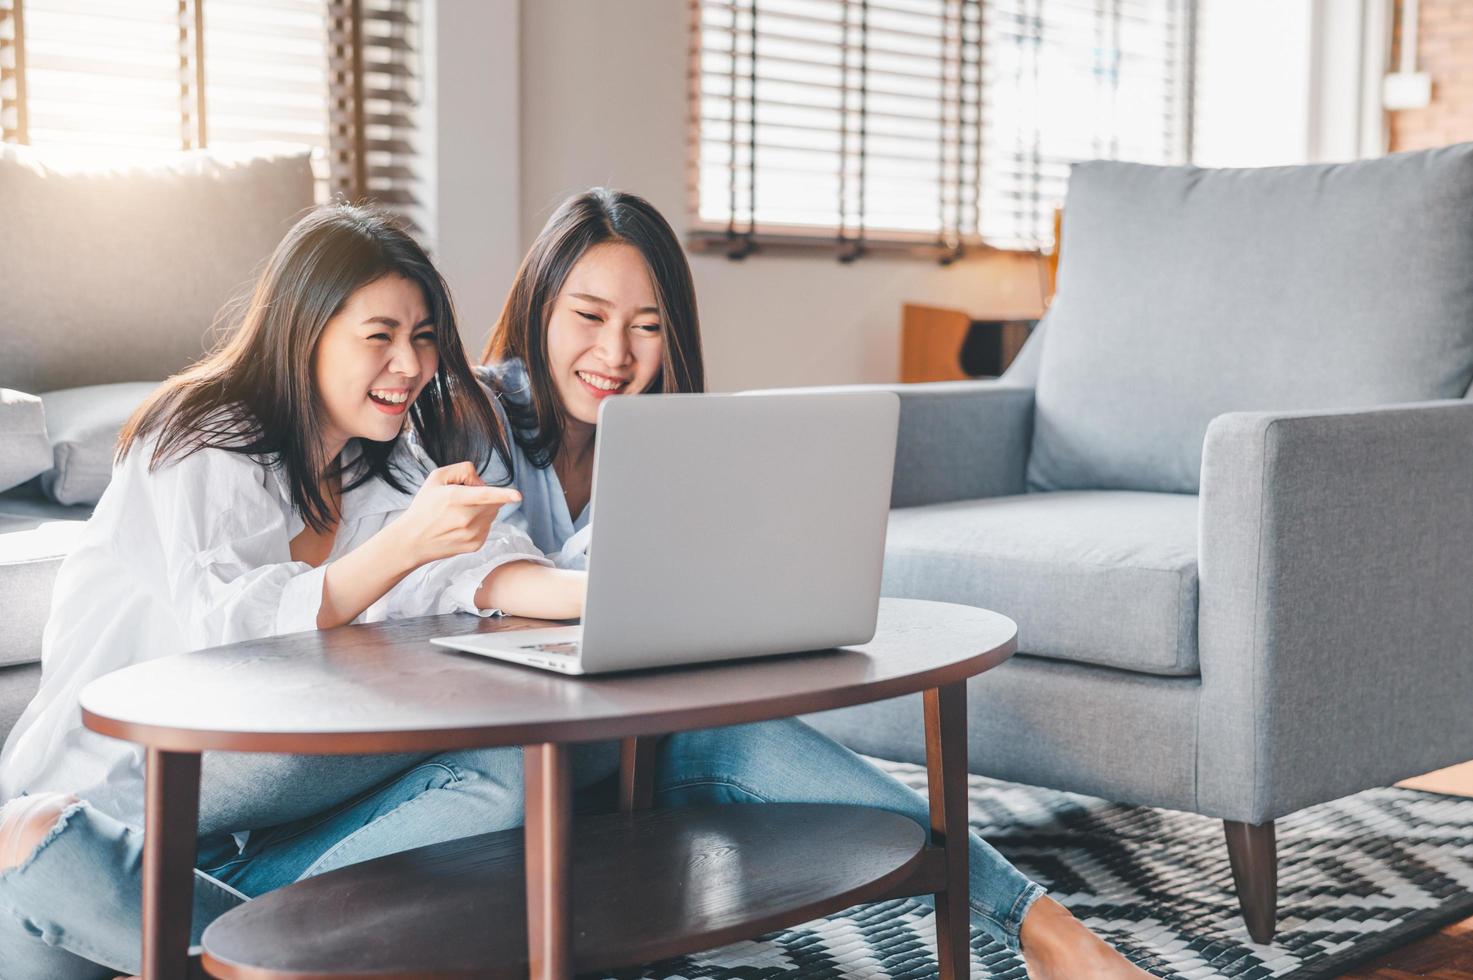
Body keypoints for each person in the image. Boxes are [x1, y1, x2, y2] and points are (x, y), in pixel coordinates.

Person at [476, 187, 1154, 979]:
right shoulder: (474, 409)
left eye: (647, 326)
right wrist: (637, 595)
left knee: (781, 756)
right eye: (588, 317)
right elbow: (488, 574)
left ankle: (1054, 937)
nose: (616, 353)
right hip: (516, 766)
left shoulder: (672, 436)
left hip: (638, 744)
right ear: (538, 309)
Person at [0, 204, 585, 979]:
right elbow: (231, 638)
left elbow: (472, 569)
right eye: (379, 336)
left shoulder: (380, 457)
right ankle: (286, 958)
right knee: (31, 839)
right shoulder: (201, 436)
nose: (409, 365)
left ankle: (269, 960)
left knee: (511, 769)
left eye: (422, 336)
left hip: (256, 843)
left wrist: (609, 595)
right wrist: (402, 545)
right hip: (115, 814)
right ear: (303, 331)